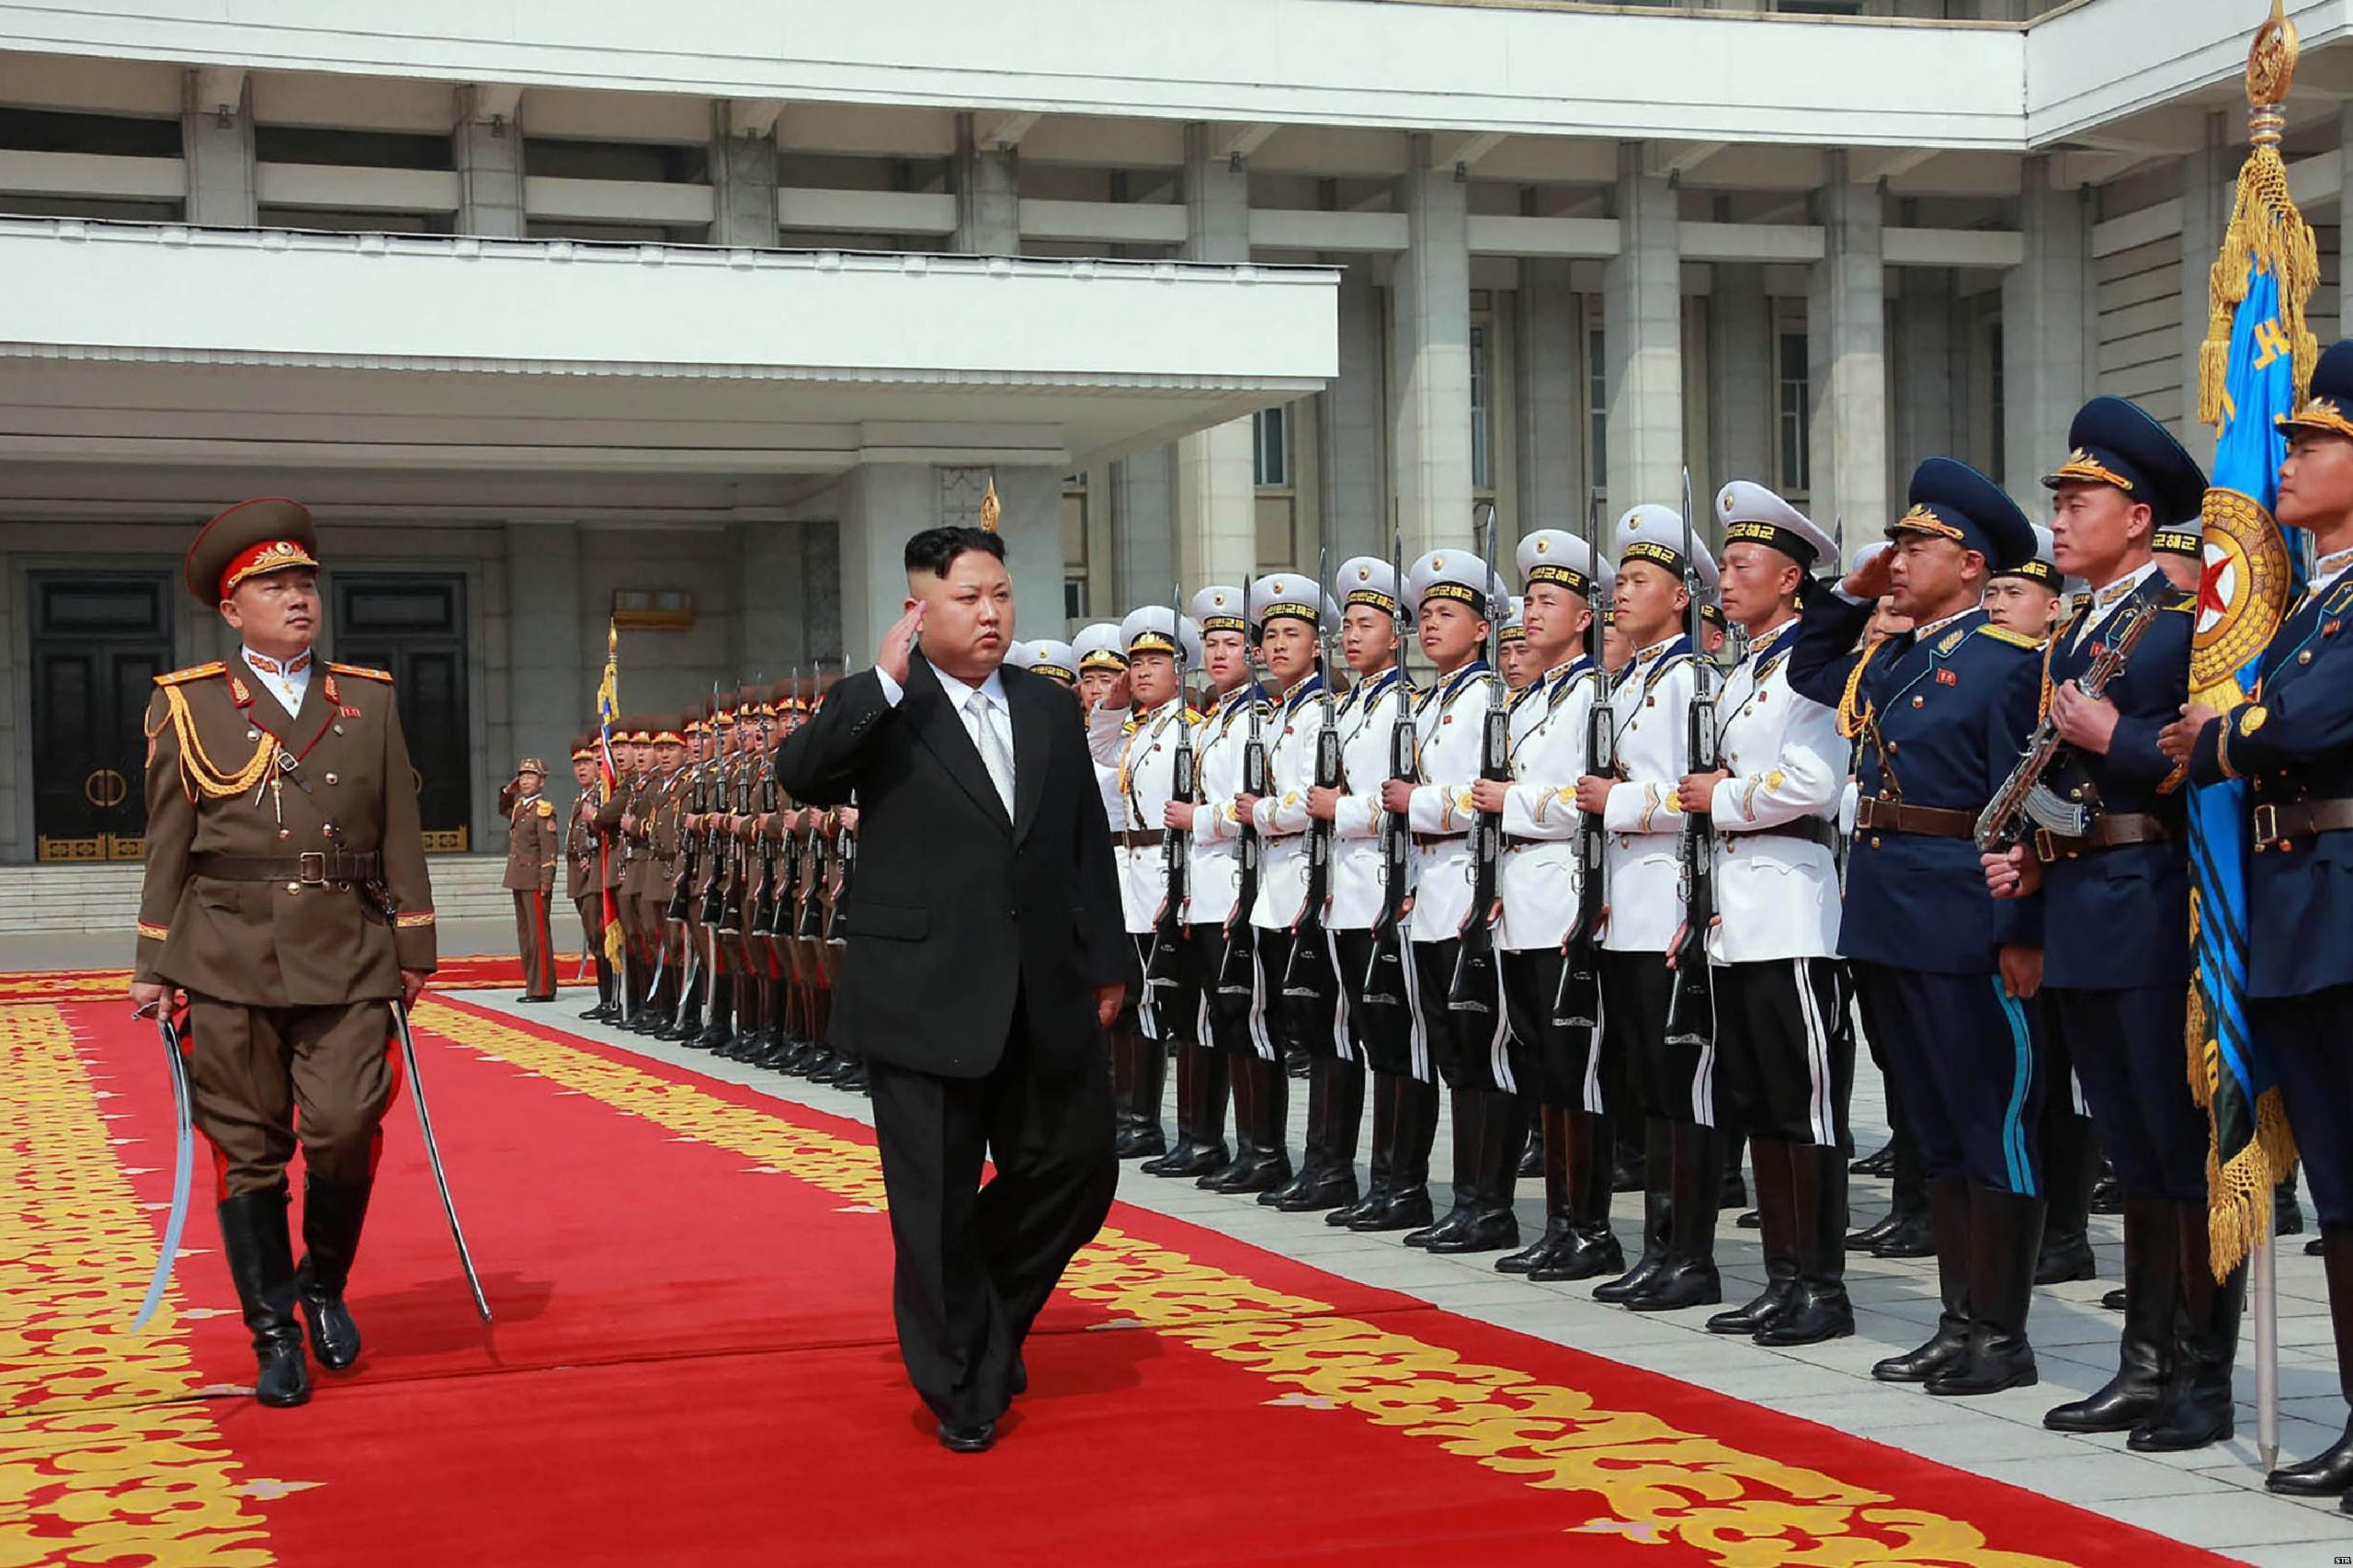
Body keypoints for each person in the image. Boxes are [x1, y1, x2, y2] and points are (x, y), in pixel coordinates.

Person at [774, 525, 1126, 1455]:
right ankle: (960, 1387)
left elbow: (1083, 839)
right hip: (922, 993)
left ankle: (978, 1312)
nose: (991, 613)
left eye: (1000, 593)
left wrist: (1109, 959)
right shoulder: (886, 706)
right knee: (929, 1203)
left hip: (1042, 988)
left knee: (1079, 1167)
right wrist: (880, 684)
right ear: (918, 609)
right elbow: (801, 775)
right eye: (968, 597)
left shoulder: (1047, 707)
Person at [131, 496, 437, 1408]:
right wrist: (153, 960)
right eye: (274, 586)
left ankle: (323, 1280)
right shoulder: (186, 704)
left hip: (345, 944)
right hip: (225, 948)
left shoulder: (368, 698)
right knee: (246, 1147)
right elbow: (166, 841)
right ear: (233, 609)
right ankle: (273, 1330)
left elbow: (403, 827)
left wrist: (414, 937)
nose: (298, 598)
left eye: (305, 581)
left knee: (344, 1126)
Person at [1986, 394, 2231, 1450]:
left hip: (2148, 900)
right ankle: (2144, 1361)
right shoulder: (2082, 627)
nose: (2061, 515)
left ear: (2138, 518)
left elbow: (2196, 767)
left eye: (2081, 498)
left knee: (2178, 1153)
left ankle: (2200, 1375)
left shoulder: (2178, 627)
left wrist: (2113, 733)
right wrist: (2025, 886)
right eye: (2061, 498)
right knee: (2127, 1152)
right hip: (2082, 899)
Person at [1789, 458, 2047, 1398]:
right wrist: (1848, 592)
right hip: (1890, 908)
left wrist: (2018, 923)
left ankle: (2001, 1333)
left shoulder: (2007, 663)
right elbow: (1812, 668)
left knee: (1987, 1123)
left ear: (1971, 563)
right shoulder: (1895, 653)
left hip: (1961, 908)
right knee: (1931, 1127)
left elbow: (2024, 803)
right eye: (1894, 545)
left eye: (1915, 546)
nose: (1896, 559)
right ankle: (1957, 1319)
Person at [2160, 338, 2353, 1501]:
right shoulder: (2310, 600)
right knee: (2337, 1193)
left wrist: (2222, 735)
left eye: (2313, 441)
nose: (2285, 459)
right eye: (2281, 441)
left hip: (2339, 906)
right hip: (2294, 912)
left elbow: (2315, 718)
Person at [1683, 483, 1851, 1344]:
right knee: (1757, 1100)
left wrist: (1722, 796)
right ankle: (1783, 1278)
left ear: (1791, 580)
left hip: (1791, 906)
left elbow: (1815, 783)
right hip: (1735, 913)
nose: (1727, 582)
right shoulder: (1744, 667)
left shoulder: (1810, 664)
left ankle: (1821, 1285)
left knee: (1804, 1104)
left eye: (1744, 566)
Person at [1580, 506, 1720, 1310]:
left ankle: (1689, 1252)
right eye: (1620, 582)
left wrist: (1620, 800)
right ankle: (1659, 1245)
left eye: (1637, 582)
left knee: (1679, 1086)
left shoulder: (1691, 680)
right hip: (1625, 904)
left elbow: (1696, 793)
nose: (1620, 596)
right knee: (1648, 1088)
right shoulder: (1635, 679)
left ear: (1679, 599)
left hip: (1670, 895)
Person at [1479, 528, 1615, 1280]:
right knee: (1543, 1066)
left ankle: (1590, 1226)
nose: (1531, 613)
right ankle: (1563, 1222)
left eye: (1548, 601)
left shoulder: (1595, 694)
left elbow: (1593, 796)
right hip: (1524, 894)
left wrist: (1517, 800)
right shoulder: (1534, 698)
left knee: (1575, 1067)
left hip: (1568, 888)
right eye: (1528, 600)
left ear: (1583, 616)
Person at [1384, 548, 1521, 1253]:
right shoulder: (1434, 700)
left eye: (1447, 615)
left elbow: (1489, 792)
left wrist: (1422, 802)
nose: (1431, 627)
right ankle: (1467, 1199)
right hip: (1431, 888)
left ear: (1480, 628)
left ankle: (1489, 1203)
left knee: (1481, 1048)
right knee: (1452, 1053)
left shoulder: (1489, 697)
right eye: (1426, 615)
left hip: (1471, 882)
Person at [1312, 558, 1433, 1232]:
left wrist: (1342, 809)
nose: (1352, 636)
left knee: (1397, 1042)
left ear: (1399, 635)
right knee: (1364, 1036)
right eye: (1348, 625)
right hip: (1347, 891)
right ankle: (1375, 1176)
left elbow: (1400, 800)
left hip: (1388, 887)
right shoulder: (1353, 705)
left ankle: (1402, 1181)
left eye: (1368, 624)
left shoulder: (1402, 704)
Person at [1238, 574, 1354, 1209]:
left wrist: (1262, 812)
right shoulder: (1282, 712)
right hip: (1277, 886)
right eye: (1271, 636)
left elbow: (1312, 800)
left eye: (1292, 634)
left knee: (1326, 1034)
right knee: (1291, 1027)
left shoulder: (1319, 712)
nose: (1278, 646)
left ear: (1318, 646)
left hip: (1311, 880)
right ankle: (1296, 1158)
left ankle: (1329, 1164)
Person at [1086, 606, 1207, 1160]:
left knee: (1165, 1002)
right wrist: (1113, 701)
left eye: (1155, 662)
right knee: (1133, 999)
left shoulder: (1191, 728)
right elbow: (1099, 750)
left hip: (1166, 865)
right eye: (1136, 663)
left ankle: (1166, 1126)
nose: (1141, 672)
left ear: (1180, 670)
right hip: (1133, 874)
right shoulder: (1138, 730)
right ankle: (1136, 1117)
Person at [568, 737, 620, 1021]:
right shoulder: (583, 796)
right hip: (583, 878)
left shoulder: (603, 793)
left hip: (596, 875)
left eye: (588, 762)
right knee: (594, 937)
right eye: (577, 764)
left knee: (603, 937)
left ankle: (611, 999)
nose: (583, 769)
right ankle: (605, 998)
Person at [501, 757, 560, 1003]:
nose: (525, 781)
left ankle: (543, 988)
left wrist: (547, 881)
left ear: (542, 781)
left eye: (531, 776)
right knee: (525, 935)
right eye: (522, 776)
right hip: (518, 877)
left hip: (535, 879)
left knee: (538, 936)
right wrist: (506, 791)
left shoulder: (543, 810)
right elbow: (503, 809)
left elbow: (549, 850)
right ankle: (532, 985)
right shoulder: (519, 806)